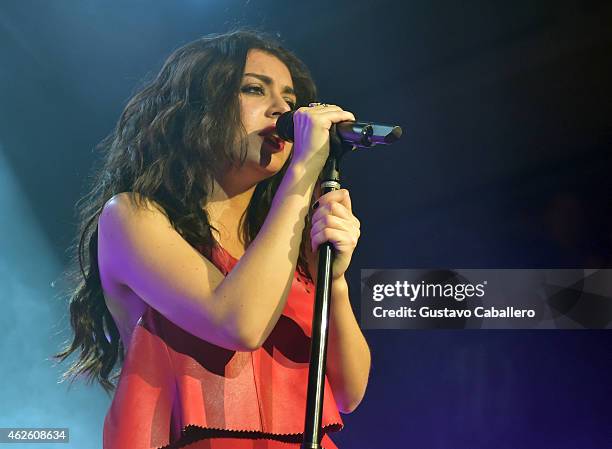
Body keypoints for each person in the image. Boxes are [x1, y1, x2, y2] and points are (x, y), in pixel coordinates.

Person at [54, 30, 371, 449]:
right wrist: (302, 173)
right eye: (254, 89)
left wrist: (332, 280)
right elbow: (238, 323)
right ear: (197, 107)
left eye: (290, 101)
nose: (282, 110)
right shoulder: (132, 217)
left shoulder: (284, 244)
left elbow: (349, 393)